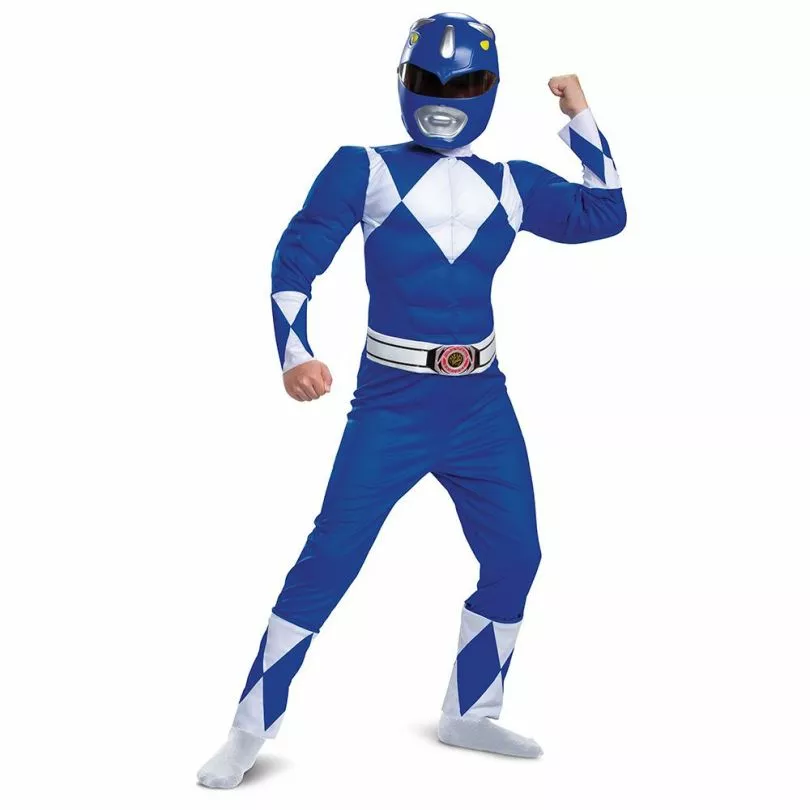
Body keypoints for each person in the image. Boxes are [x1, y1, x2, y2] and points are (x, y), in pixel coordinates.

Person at [198, 11, 626, 789]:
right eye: (430, 82)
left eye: (462, 86)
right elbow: (296, 260)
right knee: (330, 559)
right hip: (392, 404)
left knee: (516, 555)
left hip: (481, 404)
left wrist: (580, 115)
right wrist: (295, 354)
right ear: (403, 82)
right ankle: (249, 729)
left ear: (488, 90)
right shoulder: (360, 168)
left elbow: (607, 213)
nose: (444, 99)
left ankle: (472, 712)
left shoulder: (512, 184)